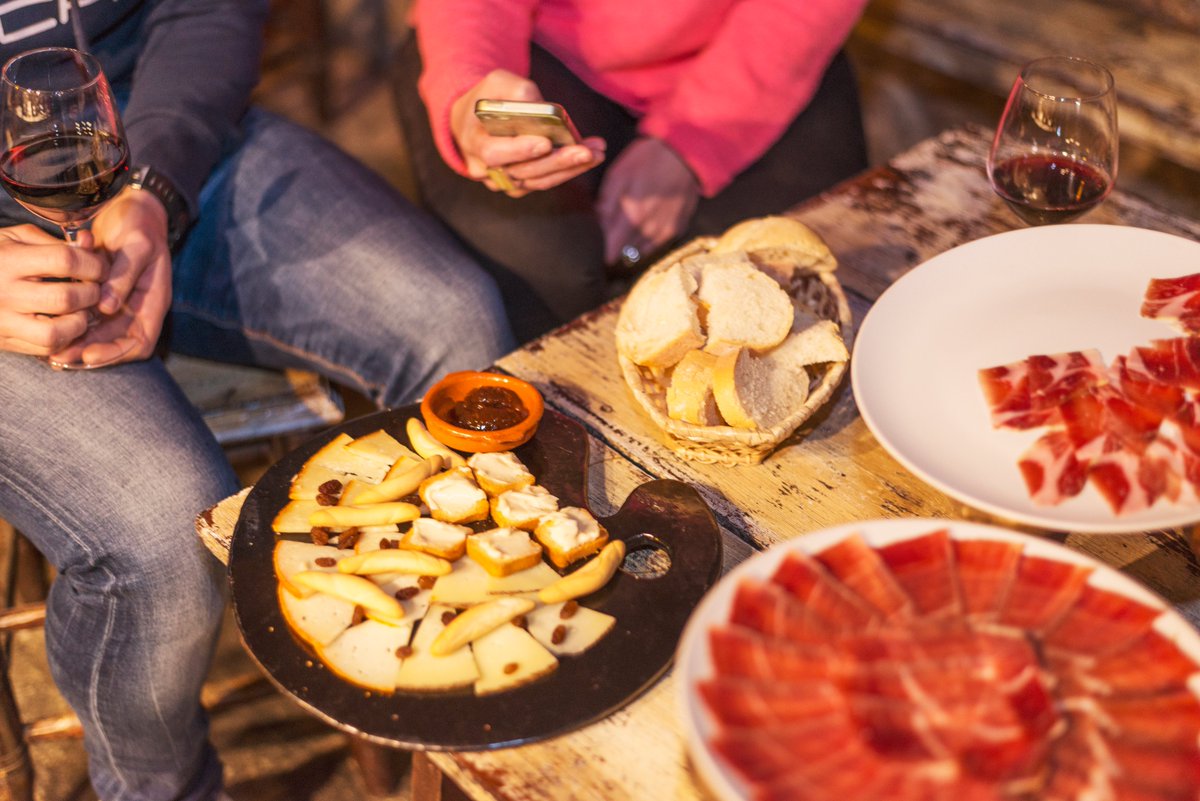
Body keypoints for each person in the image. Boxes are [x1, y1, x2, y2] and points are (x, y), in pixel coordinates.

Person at [0, 2, 514, 800]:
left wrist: (156, 186)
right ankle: (156, 790)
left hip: (151, 114)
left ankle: (436, 700)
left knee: (456, 326)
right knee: (162, 522)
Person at [394, 0, 871, 341]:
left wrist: (688, 145)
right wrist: (471, 90)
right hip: (533, 41)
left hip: (762, 41)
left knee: (804, 286)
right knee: (539, 281)